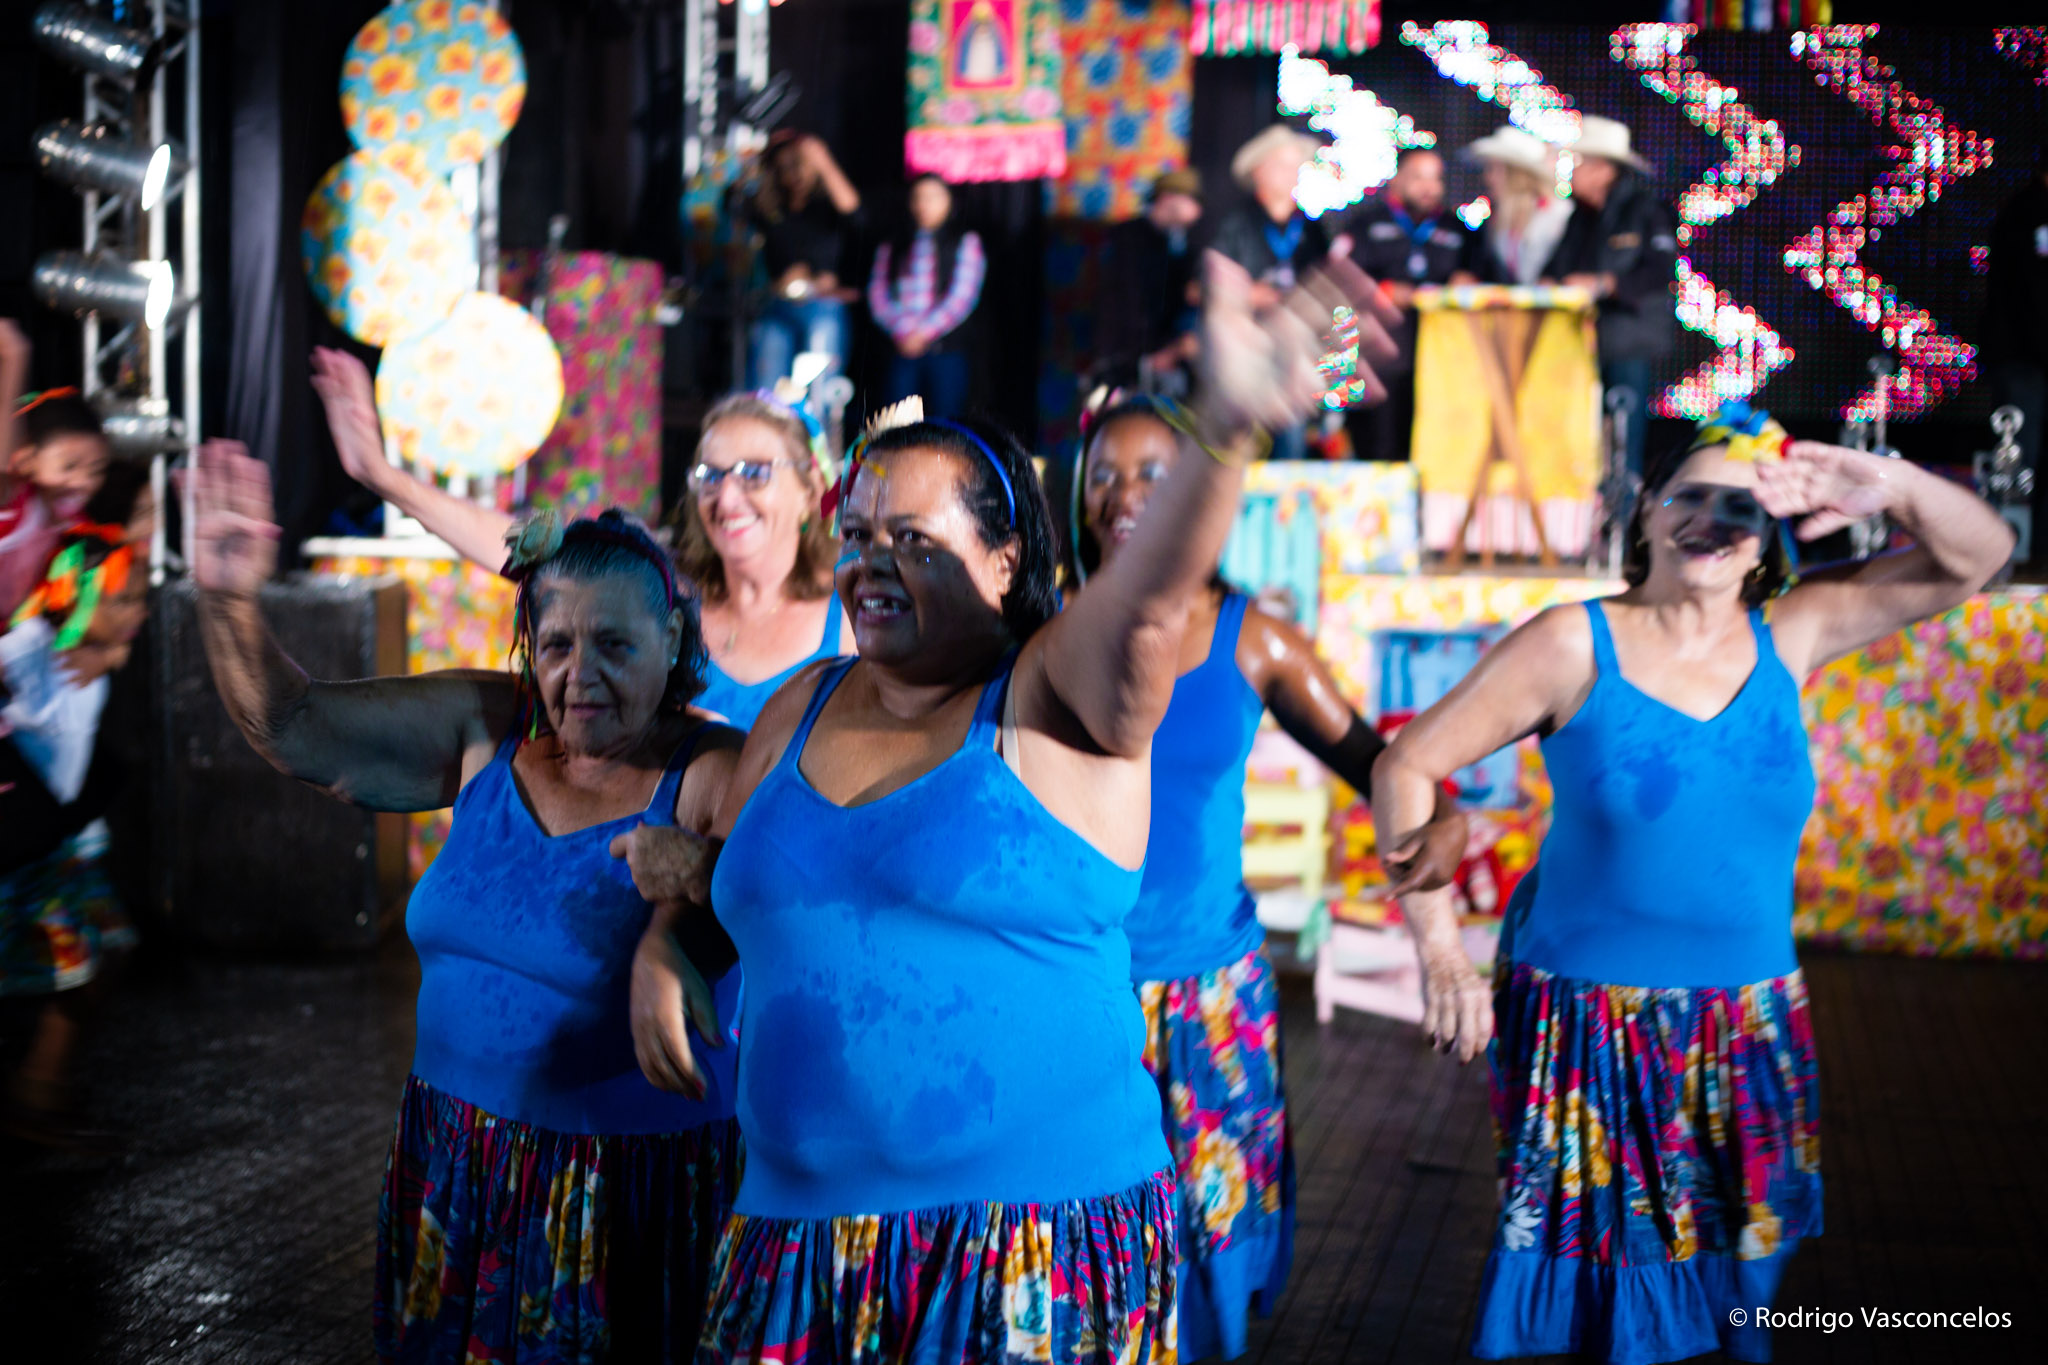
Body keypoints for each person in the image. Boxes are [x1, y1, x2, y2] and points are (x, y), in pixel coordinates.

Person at [630, 252, 1399, 1361]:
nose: (871, 561)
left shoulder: (1045, 699)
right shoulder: (801, 703)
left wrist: (1228, 426)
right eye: (858, 535)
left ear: (1003, 562)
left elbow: (1144, 609)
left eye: (913, 538)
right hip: (792, 1244)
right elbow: (748, 885)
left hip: (1020, 1252)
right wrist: (672, 943)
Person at [1370, 403, 2014, 1364]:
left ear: (1768, 536)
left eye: (1742, 507)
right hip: (1592, 1029)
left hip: (1749, 1025)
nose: (1713, 521)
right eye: (1690, 498)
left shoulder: (1794, 631)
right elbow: (1405, 766)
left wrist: (1886, 483)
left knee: (1736, 1293)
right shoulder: (1572, 643)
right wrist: (1441, 955)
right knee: (1598, 1301)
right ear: (1646, 510)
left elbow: (1980, 556)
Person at [187, 455, 750, 1361]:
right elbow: (294, 728)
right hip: (457, 1164)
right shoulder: (494, 727)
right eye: (557, 644)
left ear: (674, 639)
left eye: (615, 645)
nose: (580, 674)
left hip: (619, 1192)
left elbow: (775, 882)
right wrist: (227, 601)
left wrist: (676, 928)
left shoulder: (711, 766)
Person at [1071, 391, 1469, 1360]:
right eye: (1103, 475)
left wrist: (1445, 819)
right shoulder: (1047, 633)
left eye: (1153, 473)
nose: (1125, 494)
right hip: (1074, 992)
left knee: (1202, 1260)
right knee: (1078, 1253)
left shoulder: (1254, 640)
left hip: (1210, 1000)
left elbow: (1382, 763)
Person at [313, 351, 850, 730]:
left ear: (810, 489)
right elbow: (525, 548)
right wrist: (382, 477)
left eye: (754, 473)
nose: (727, 497)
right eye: (710, 475)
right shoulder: (673, 594)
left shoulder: (849, 621)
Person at [1, 458, 154, 1151]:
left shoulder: (96, 655)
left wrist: (110, 654)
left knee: (93, 967)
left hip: (66, 855)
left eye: (139, 600)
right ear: (75, 595)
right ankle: (35, 1097)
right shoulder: (31, 648)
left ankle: (38, 1093)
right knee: (73, 973)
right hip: (33, 859)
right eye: (122, 601)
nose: (137, 614)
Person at [1541, 115, 1678, 496]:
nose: (1573, 171)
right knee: (1579, 435)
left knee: (1622, 436)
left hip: (1627, 342)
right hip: (1579, 347)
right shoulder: (1579, 219)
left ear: (1603, 169)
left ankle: (1620, 514)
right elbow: (1556, 269)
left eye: (1580, 162)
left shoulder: (1645, 210)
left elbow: (1660, 271)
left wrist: (1605, 284)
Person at [1343, 148, 1489, 460]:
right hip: (1382, 358)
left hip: (1442, 359)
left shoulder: (1458, 229)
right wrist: (1383, 292)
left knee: (1439, 447)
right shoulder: (1366, 225)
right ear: (1396, 179)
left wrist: (1467, 280)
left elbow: (1483, 277)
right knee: (1380, 447)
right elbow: (1342, 282)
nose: (1429, 187)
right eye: (1418, 178)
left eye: (1435, 179)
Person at [1212, 126, 1333, 461]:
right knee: (1240, 445)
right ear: (1258, 171)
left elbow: (1327, 287)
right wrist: (1248, 294)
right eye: (1282, 165)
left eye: (1296, 165)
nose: (1292, 173)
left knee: (1291, 442)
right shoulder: (1235, 223)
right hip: (1245, 351)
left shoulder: (1311, 229)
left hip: (1295, 354)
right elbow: (1201, 289)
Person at [2, 326, 111, 621]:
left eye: (96, 470)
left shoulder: (77, 527)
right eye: (69, 466)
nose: (84, 483)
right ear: (26, 460)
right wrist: (15, 357)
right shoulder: (13, 506)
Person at [742, 131, 863, 397]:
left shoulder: (827, 205)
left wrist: (821, 158)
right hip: (778, 305)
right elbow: (736, 204)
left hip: (821, 304)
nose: (794, 174)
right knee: (766, 390)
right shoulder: (770, 209)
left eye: (799, 164)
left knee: (820, 390)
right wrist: (759, 160)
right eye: (785, 167)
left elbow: (854, 211)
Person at [868, 173, 987, 417]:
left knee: (945, 418)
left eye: (933, 197)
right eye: (918, 198)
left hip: (945, 347)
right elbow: (878, 293)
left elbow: (961, 297)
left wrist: (922, 332)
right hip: (901, 344)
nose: (924, 205)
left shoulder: (964, 241)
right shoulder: (894, 244)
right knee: (897, 420)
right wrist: (902, 329)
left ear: (949, 201)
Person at [1982, 141, 2048, 568]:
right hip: (2023, 362)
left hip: (2036, 360)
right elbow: (2024, 297)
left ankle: (2038, 554)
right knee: (2017, 459)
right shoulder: (2025, 213)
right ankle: (2008, 556)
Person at [1097, 168, 1207, 397]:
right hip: (1126, 360)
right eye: (1190, 200)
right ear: (1167, 198)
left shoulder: (1178, 244)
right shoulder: (1127, 238)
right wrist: (1144, 357)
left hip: (1164, 357)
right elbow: (1124, 302)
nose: (1196, 210)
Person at [1462, 127, 1571, 287]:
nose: (1488, 178)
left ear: (1516, 174)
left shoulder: (1559, 214)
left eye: (1494, 169)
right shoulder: (1498, 221)